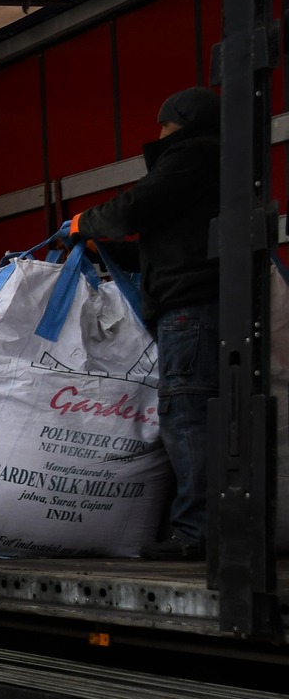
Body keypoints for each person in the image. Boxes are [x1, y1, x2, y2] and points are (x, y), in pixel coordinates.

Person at [65, 86, 220, 560]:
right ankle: (199, 528)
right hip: (201, 303)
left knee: (187, 414)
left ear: (179, 122)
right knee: (195, 412)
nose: (157, 134)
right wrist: (106, 251)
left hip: (191, 309)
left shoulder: (194, 155)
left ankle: (196, 535)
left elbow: (134, 208)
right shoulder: (216, 167)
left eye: (162, 124)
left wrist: (84, 223)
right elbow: (168, 249)